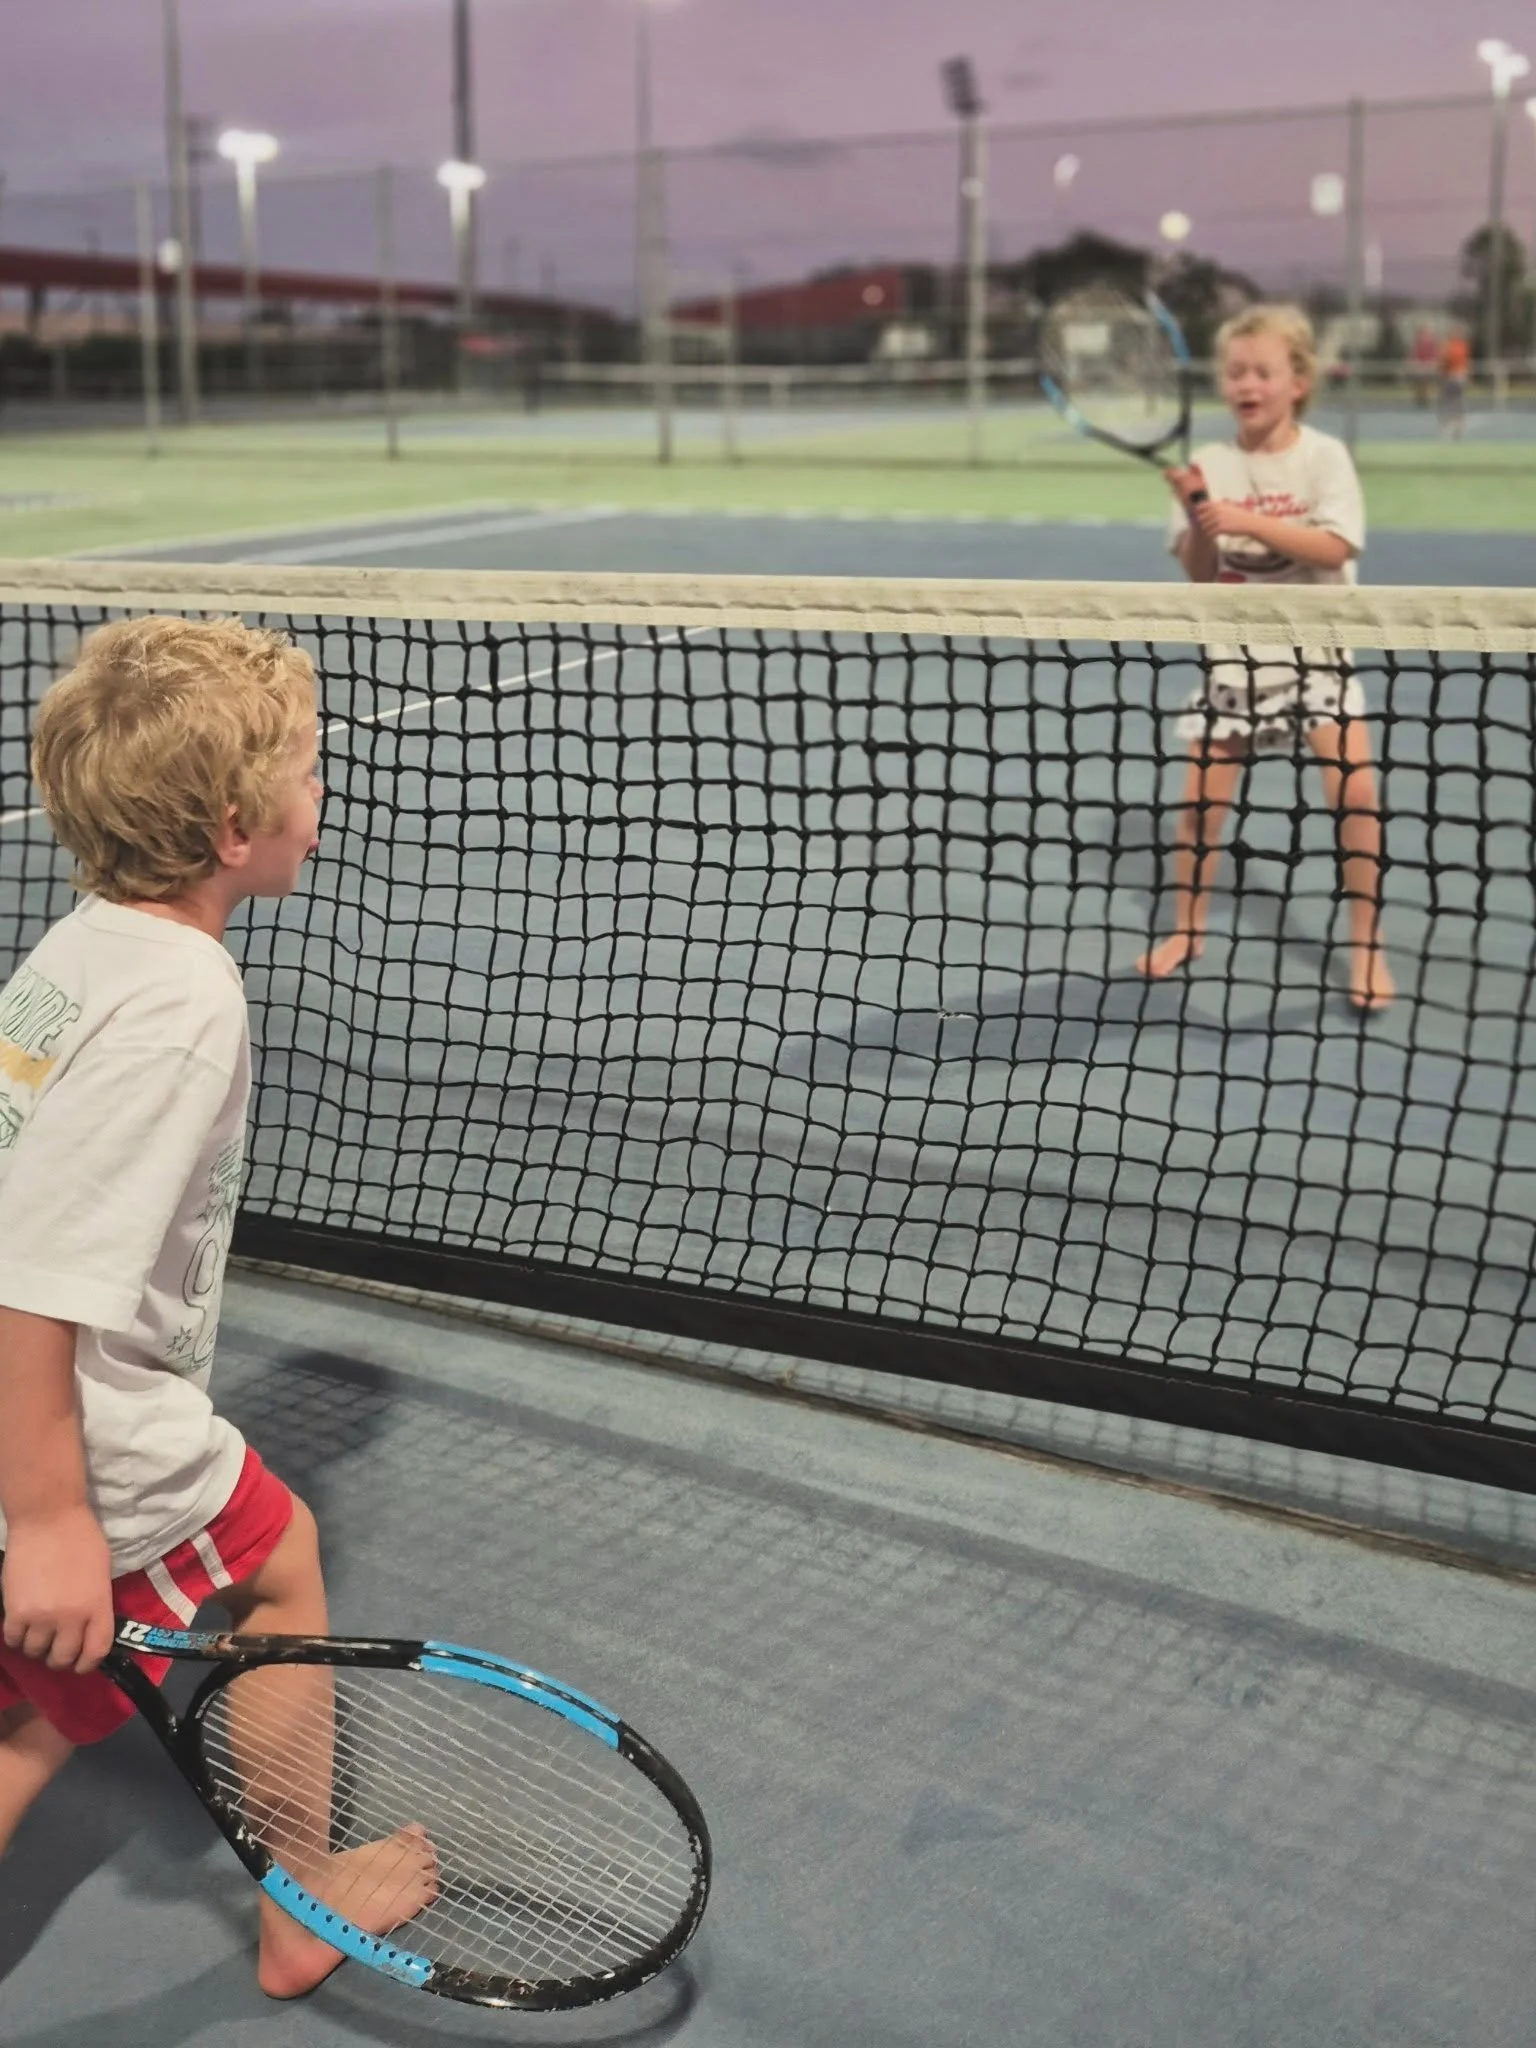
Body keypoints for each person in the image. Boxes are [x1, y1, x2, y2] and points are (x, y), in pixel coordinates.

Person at [0, 616, 437, 1998]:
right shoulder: (185, 1001)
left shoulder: (83, 945)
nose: (325, 798)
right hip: (79, 1429)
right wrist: (60, 1521)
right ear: (240, 824)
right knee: (276, 1562)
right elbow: (33, 1281)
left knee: (31, 1713)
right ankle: (304, 1906)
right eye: (307, 774)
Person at [1136, 303, 1394, 1013]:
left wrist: (1247, 518)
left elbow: (1336, 548)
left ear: (1298, 382)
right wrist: (1198, 514)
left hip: (1318, 664)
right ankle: (1188, 930)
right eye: (1235, 371)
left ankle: (1366, 947)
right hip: (1236, 669)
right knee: (1196, 812)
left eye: (1263, 371)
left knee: (1358, 798)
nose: (1247, 383)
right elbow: (1200, 570)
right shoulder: (1209, 465)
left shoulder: (1323, 458)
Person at [1437, 330, 1469, 440]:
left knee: (1449, 403)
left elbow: (1445, 361)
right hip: (1459, 376)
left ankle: (1449, 427)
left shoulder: (1450, 347)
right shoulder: (1461, 346)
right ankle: (1458, 426)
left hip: (1451, 377)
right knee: (1457, 402)